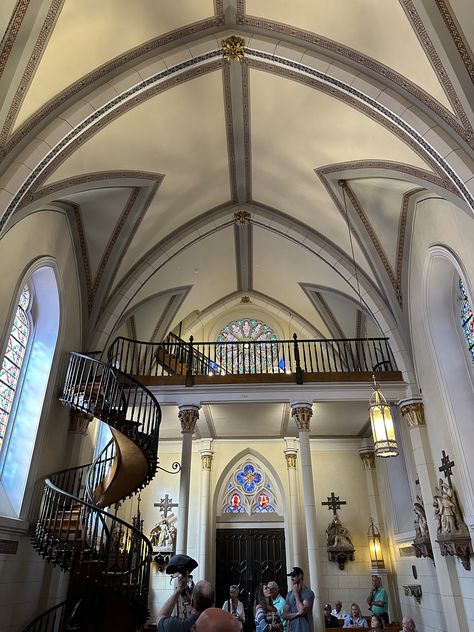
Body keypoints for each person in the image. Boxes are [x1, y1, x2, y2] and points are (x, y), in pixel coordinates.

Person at [283, 566, 314, 632]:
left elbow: (302, 610)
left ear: (300, 575)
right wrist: (297, 614)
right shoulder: (289, 594)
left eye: (294, 576)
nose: (292, 578)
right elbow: (284, 615)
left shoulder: (308, 593)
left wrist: (296, 594)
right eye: (291, 576)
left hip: (305, 629)